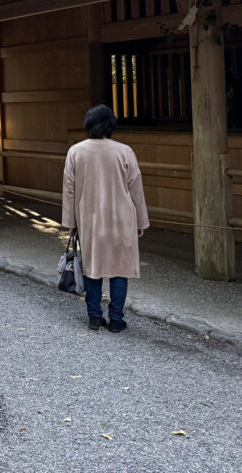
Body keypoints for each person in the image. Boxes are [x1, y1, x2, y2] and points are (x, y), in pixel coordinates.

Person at [62, 104, 149, 333]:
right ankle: (117, 320)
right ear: (110, 126)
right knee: (120, 269)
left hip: (90, 219)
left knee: (93, 267)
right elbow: (135, 189)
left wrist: (71, 222)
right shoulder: (125, 151)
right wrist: (141, 221)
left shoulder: (76, 152)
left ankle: (94, 316)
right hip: (122, 218)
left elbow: (69, 190)